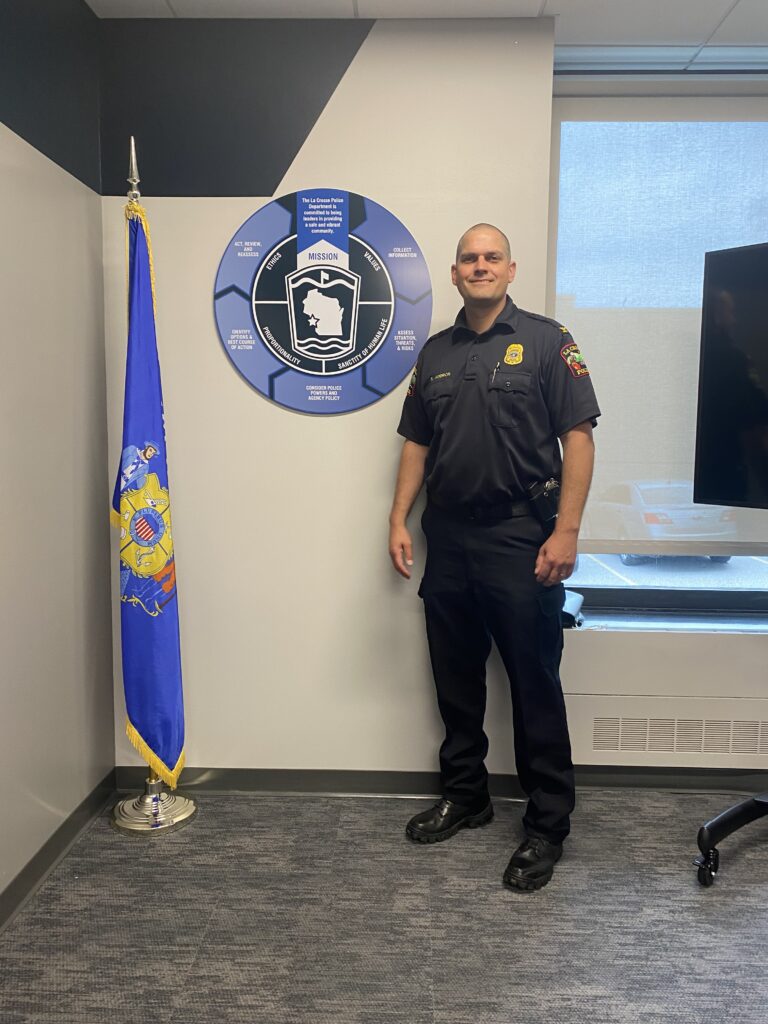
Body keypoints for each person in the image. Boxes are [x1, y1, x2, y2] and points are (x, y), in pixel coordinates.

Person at [389, 224, 600, 892]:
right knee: (455, 678)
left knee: (533, 682)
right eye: (468, 259)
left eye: (491, 258)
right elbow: (417, 445)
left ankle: (546, 824)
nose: (479, 267)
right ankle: (467, 794)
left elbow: (578, 438)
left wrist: (566, 531)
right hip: (447, 536)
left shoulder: (546, 342)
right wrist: (398, 517)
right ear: (454, 275)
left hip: (520, 536)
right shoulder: (436, 353)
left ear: (510, 270)